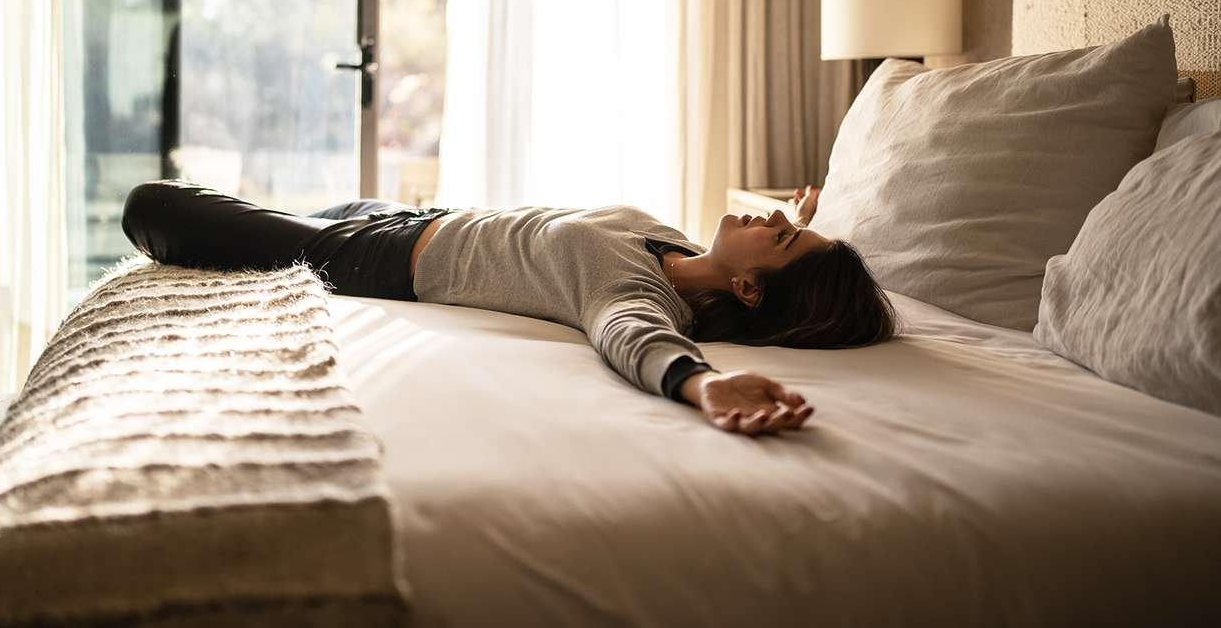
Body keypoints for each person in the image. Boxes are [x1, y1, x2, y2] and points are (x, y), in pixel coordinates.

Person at [121, 182, 895, 438]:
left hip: (373, 261)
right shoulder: (677, 246)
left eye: (783, 238)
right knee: (326, 201)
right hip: (417, 216)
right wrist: (803, 211)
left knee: (153, 207)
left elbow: (634, 339)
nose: (770, 219)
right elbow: (762, 243)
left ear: (752, 290)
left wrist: (702, 386)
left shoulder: (635, 296)